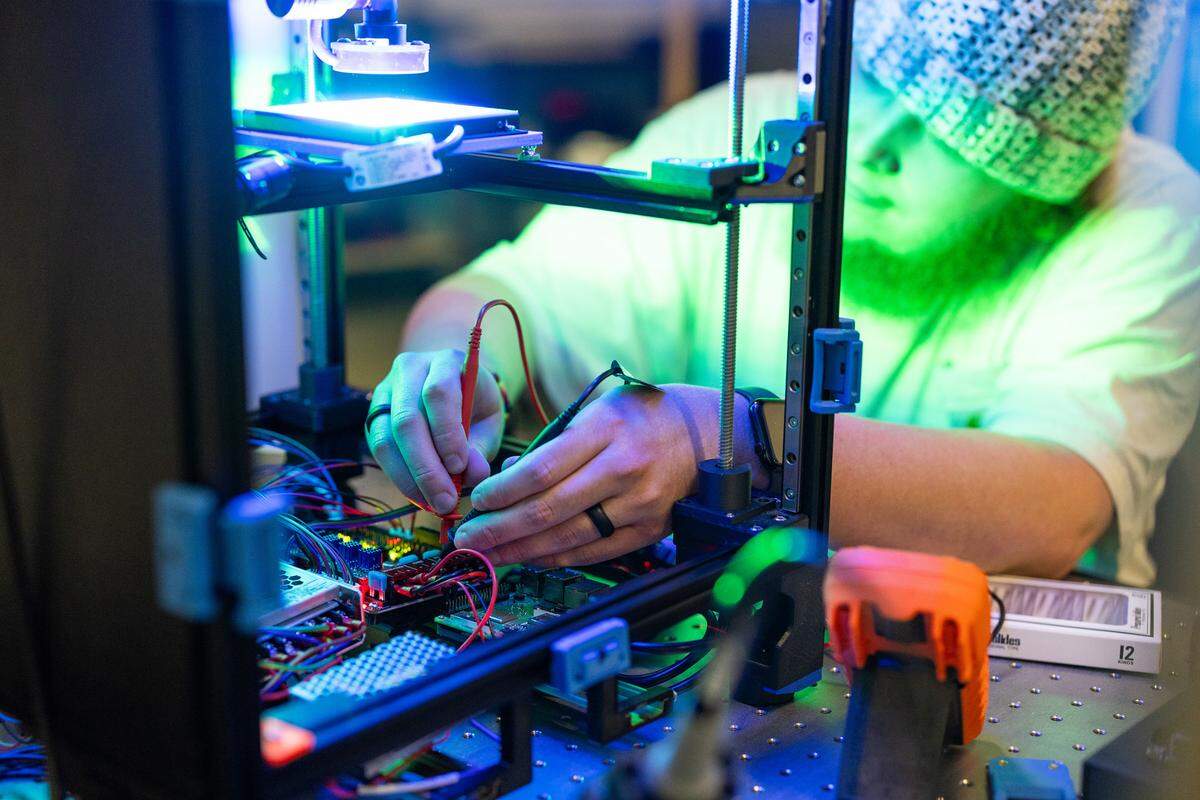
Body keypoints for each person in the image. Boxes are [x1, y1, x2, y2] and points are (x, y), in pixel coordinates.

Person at [368, 0, 1200, 587]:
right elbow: (506, 293)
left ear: (1042, 183)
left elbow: (1059, 504)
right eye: (873, 85)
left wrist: (735, 438)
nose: (871, 146)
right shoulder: (743, 128)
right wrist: (452, 371)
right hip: (719, 660)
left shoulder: (1145, 212)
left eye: (947, 133)